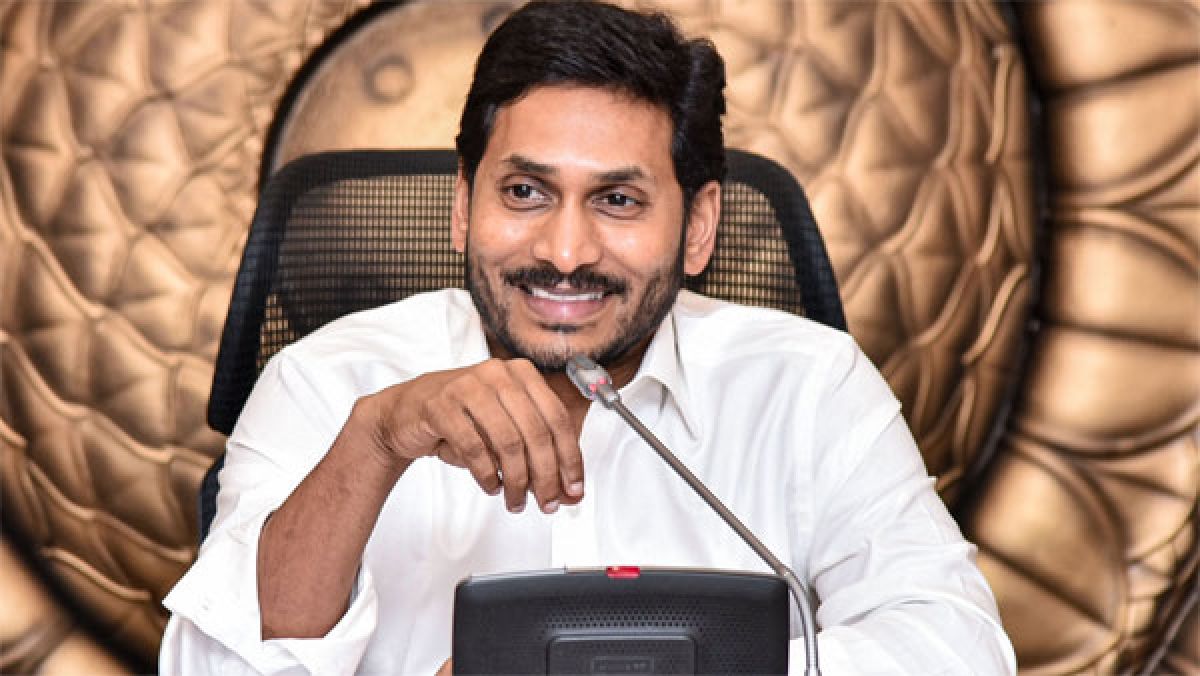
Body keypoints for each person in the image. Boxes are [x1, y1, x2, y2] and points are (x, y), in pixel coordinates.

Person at [161, 1, 1016, 673]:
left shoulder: (809, 385)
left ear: (698, 226)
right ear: (462, 205)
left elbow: (958, 649)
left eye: (617, 200)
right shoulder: (325, 382)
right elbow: (213, 669)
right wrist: (378, 442)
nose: (565, 254)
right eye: (525, 193)